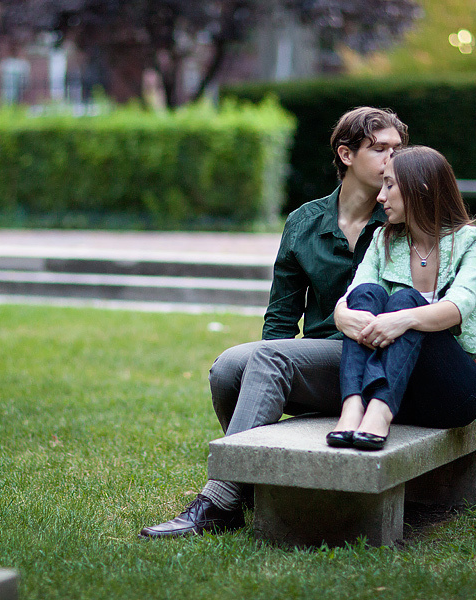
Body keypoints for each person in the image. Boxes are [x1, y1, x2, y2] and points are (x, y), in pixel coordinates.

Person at [138, 106, 411, 538]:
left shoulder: (404, 218)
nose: (393, 160)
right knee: (229, 367)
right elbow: (282, 314)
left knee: (268, 359)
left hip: (379, 364)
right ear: (346, 154)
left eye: (399, 149)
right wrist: (271, 357)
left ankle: (221, 500)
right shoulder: (304, 223)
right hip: (322, 362)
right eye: (380, 149)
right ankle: (252, 478)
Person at [326, 145, 476, 451]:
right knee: (367, 294)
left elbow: (460, 305)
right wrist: (342, 314)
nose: (380, 197)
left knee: (405, 300)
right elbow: (357, 290)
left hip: (453, 393)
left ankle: (379, 411)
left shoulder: (470, 240)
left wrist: (402, 319)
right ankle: (353, 406)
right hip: (402, 390)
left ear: (419, 190)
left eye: (390, 185)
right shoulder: (384, 239)